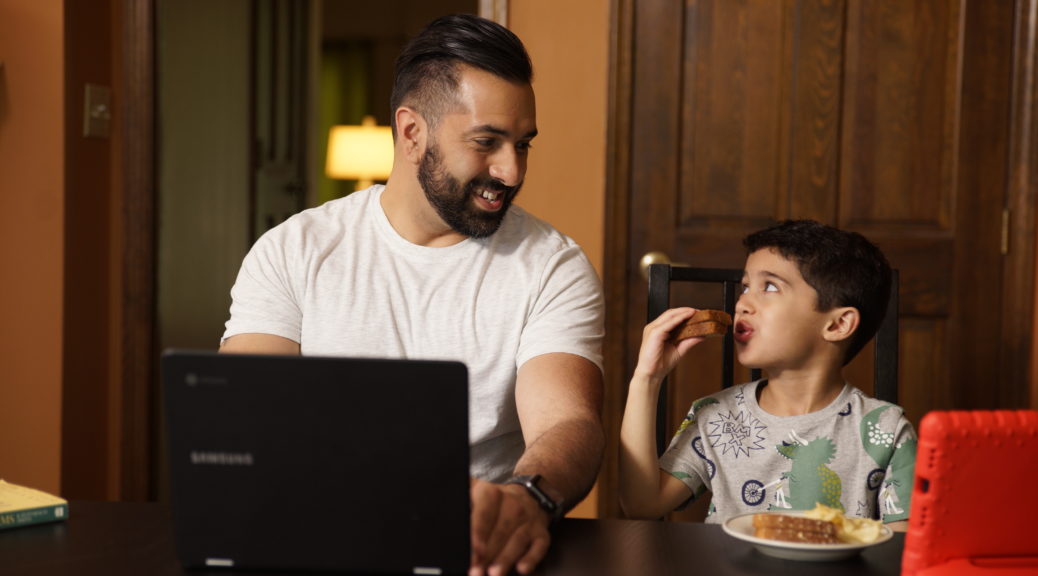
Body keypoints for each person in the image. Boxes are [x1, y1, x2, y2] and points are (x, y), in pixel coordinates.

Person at [220, 14, 605, 576]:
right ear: (411, 132)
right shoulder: (293, 251)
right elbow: (249, 415)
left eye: (523, 144)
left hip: (480, 552)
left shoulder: (553, 265)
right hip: (323, 539)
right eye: (486, 141)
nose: (512, 168)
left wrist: (528, 500)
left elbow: (567, 424)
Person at [619, 219, 916, 530]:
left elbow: (902, 552)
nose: (743, 303)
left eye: (770, 286)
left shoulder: (886, 431)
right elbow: (642, 504)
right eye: (746, 286)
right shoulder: (716, 417)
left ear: (837, 325)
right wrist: (646, 379)